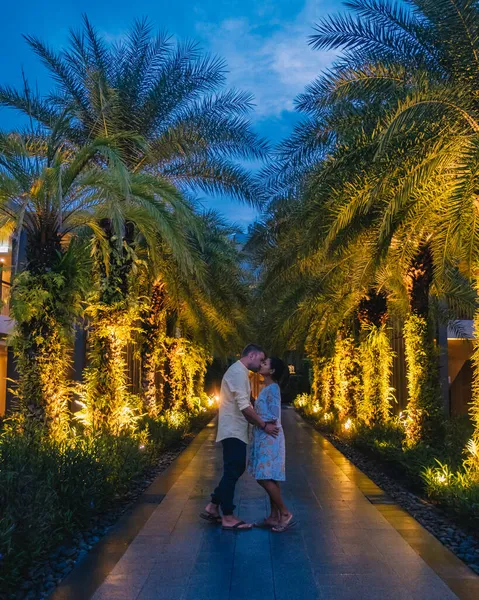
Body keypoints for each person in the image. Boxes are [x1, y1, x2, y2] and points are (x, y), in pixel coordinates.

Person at [201, 344, 280, 531]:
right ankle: (227, 516)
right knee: (233, 469)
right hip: (233, 430)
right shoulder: (238, 373)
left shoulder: (241, 373)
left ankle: (213, 506)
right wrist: (263, 425)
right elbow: (244, 407)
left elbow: (246, 402)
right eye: (260, 360)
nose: (261, 364)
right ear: (251, 355)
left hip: (235, 430)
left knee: (234, 468)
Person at [248, 357, 295, 533]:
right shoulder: (267, 388)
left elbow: (274, 414)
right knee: (270, 476)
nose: (261, 365)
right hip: (265, 434)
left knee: (263, 476)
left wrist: (258, 418)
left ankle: (284, 513)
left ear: (272, 371)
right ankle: (274, 515)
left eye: (265, 363)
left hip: (270, 435)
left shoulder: (273, 388)